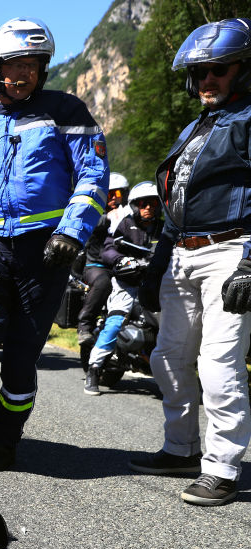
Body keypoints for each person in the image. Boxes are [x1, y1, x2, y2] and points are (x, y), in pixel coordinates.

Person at [0, 18, 109, 472]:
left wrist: (72, 230)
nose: (23, 74)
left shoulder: (68, 112)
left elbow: (92, 177)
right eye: (13, 65)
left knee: (20, 359)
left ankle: (7, 442)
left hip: (44, 252)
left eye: (33, 65)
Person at [130, 18, 251, 506]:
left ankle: (222, 468)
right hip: (182, 256)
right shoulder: (194, 128)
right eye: (201, 72)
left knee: (219, 365)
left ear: (242, 71)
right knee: (168, 358)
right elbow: (177, 204)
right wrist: (159, 261)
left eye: (219, 71)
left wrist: (250, 262)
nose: (208, 81)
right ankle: (181, 448)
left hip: (231, 249)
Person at [84, 181, 162, 395]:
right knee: (115, 322)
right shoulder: (125, 224)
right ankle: (94, 369)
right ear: (135, 205)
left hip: (155, 285)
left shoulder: (163, 229)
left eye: (154, 203)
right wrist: (121, 260)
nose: (149, 208)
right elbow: (108, 249)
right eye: (144, 203)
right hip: (127, 283)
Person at [77, 172, 130, 365]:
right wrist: (108, 217)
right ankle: (84, 326)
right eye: (112, 193)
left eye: (120, 193)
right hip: (96, 265)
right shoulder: (95, 212)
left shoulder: (129, 216)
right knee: (103, 283)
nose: (116, 197)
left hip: (123, 265)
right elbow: (91, 223)